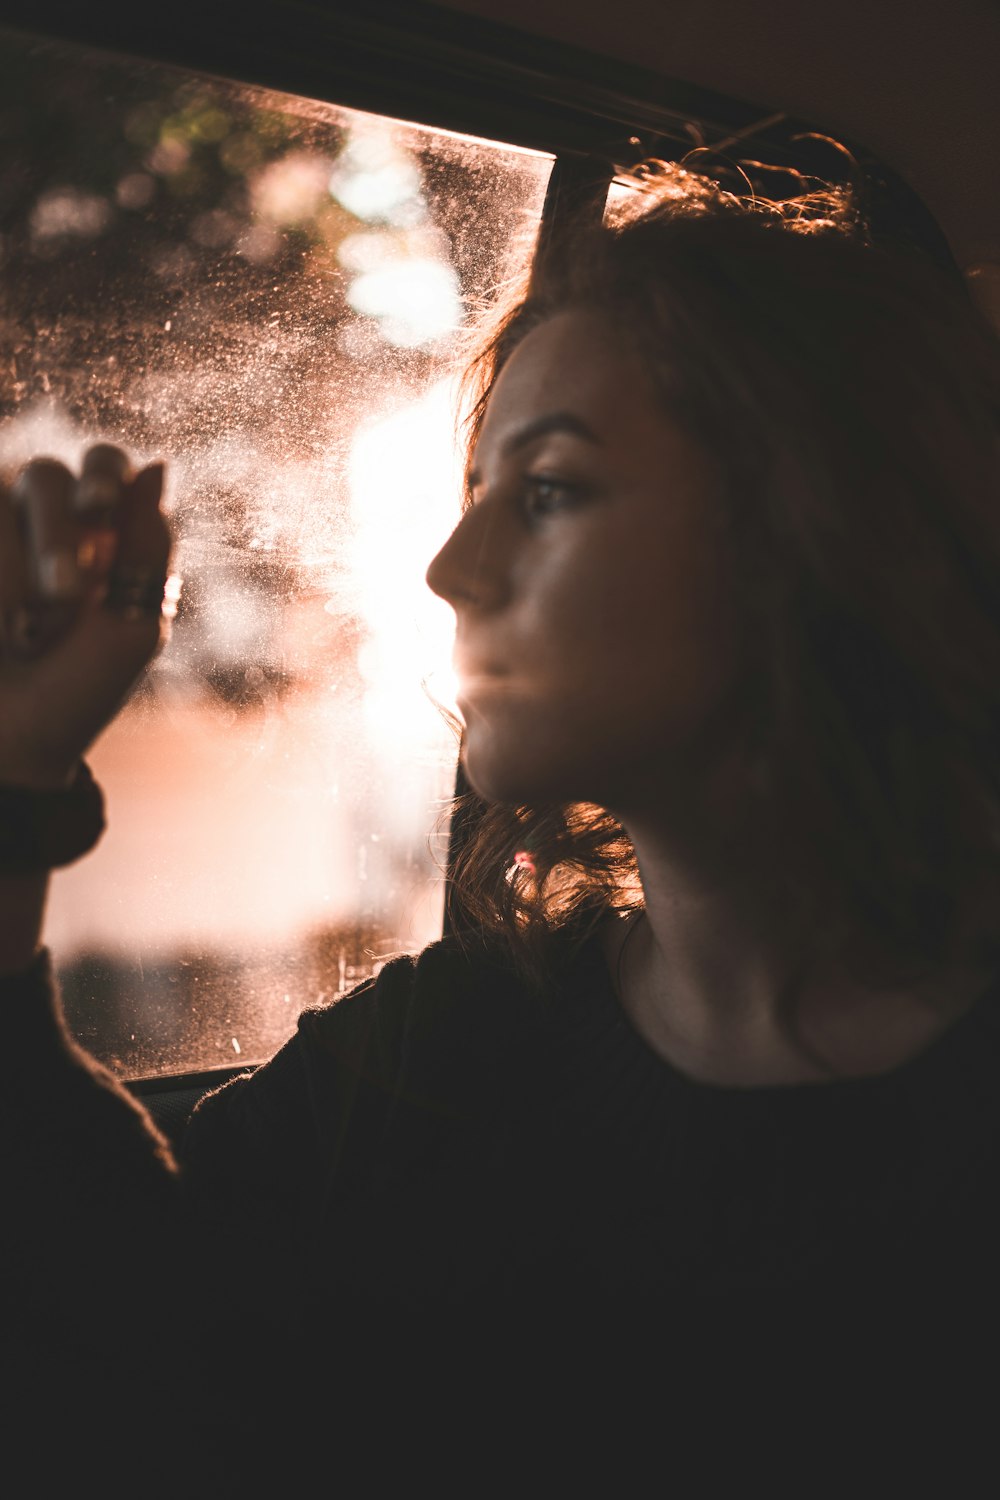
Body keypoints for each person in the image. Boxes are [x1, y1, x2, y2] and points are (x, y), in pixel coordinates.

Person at [3, 157, 1000, 1487]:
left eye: (549, 490)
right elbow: (132, 1315)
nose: (451, 570)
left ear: (814, 529)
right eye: (477, 493)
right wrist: (15, 766)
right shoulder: (440, 1050)